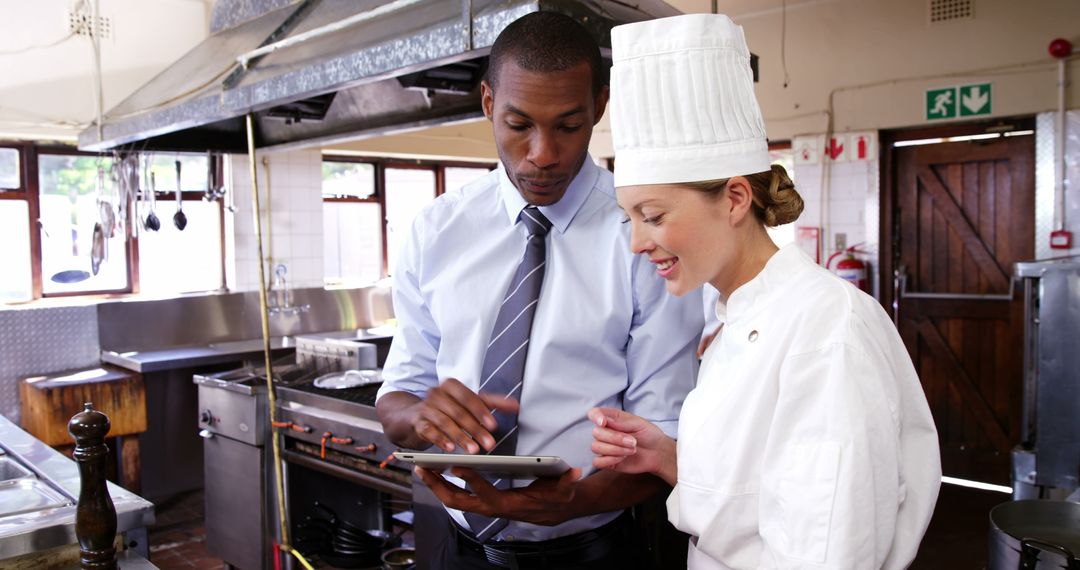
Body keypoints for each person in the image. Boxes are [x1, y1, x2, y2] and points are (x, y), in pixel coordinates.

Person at [588, 13, 941, 570]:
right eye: (628, 219)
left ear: (734, 199)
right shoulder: (735, 314)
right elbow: (765, 495)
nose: (636, 243)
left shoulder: (826, 329)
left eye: (651, 216)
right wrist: (670, 458)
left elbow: (827, 554)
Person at [374, 11, 704, 570]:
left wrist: (574, 500)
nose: (543, 154)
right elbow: (399, 394)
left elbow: (663, 440)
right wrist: (420, 415)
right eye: (518, 124)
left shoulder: (646, 238)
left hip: (593, 554)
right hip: (460, 551)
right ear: (487, 103)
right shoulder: (436, 231)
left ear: (601, 106)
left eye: (569, 126)